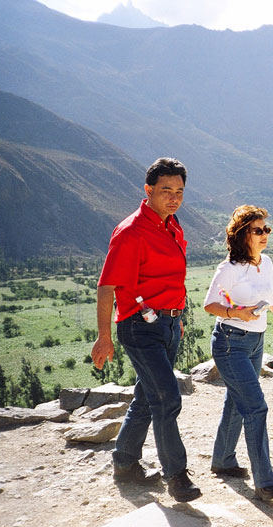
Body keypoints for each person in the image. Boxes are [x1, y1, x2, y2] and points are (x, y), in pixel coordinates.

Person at [91, 157, 201, 503]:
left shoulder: (173, 225)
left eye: (179, 191)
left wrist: (177, 317)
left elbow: (171, 278)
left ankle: (124, 462)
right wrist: (104, 336)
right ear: (148, 190)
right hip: (139, 327)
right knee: (167, 396)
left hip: (168, 324)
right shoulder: (131, 231)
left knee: (146, 396)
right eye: (166, 190)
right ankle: (176, 476)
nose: (174, 198)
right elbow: (107, 286)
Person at [203, 204, 273, 501]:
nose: (265, 235)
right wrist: (236, 312)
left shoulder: (267, 262)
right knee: (256, 407)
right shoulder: (229, 269)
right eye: (258, 230)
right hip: (229, 342)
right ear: (242, 235)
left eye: (267, 230)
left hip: (255, 343)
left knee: (237, 403)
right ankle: (265, 482)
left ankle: (223, 461)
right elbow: (210, 304)